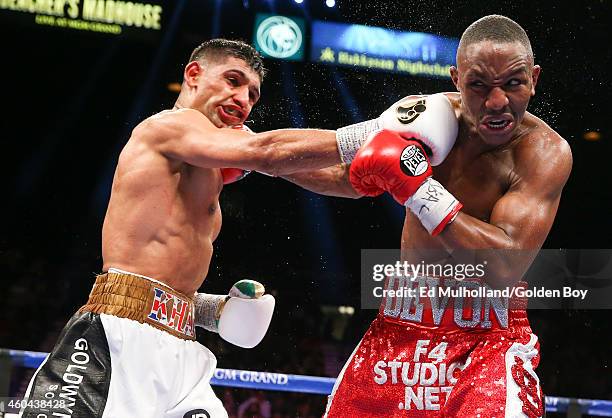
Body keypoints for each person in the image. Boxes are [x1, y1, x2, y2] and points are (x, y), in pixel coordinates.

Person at [19, 39, 428, 418]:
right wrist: (376, 129)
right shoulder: (167, 127)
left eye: (253, 94)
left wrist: (401, 161)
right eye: (233, 81)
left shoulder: (218, 162)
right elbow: (265, 151)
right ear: (194, 75)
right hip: (116, 338)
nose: (244, 100)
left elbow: (329, 176)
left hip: (182, 352)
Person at [282, 15, 572, 418]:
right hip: (399, 328)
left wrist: (418, 187)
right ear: (456, 78)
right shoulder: (427, 118)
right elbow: (347, 175)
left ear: (535, 79)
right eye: (479, 85)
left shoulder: (543, 153)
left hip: (485, 340)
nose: (497, 102)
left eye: (513, 83)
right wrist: (254, 160)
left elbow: (503, 267)